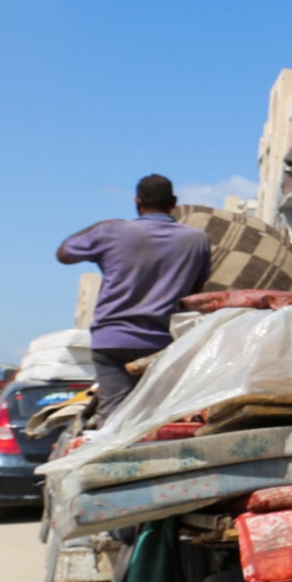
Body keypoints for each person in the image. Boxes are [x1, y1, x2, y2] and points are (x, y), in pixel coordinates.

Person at [55, 174, 210, 421]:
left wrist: (99, 226)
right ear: (173, 202)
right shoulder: (196, 239)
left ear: (137, 202)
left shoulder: (111, 231)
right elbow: (195, 292)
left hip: (112, 340)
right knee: (158, 418)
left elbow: (64, 253)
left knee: (114, 417)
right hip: (164, 343)